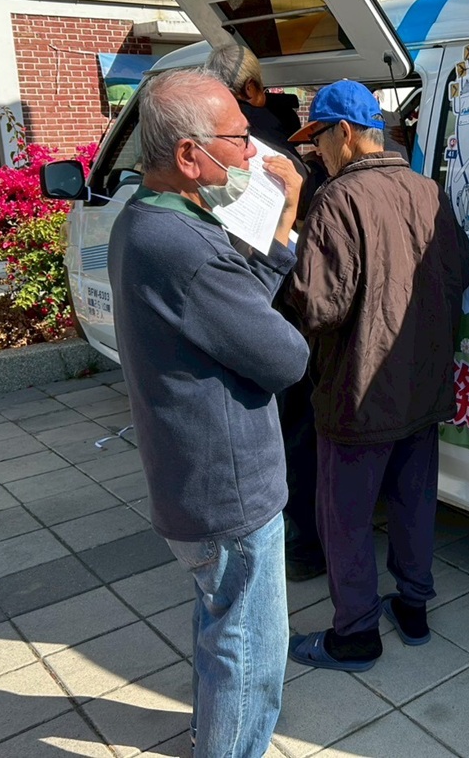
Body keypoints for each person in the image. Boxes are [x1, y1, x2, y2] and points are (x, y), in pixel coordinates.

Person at [107, 67, 308, 756]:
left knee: (223, 630)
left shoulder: (146, 218)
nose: (254, 154)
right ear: (190, 155)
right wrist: (284, 225)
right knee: (248, 659)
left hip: (190, 478)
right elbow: (285, 357)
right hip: (229, 491)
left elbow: (235, 301)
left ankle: (212, 738)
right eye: (240, 140)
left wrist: (282, 219)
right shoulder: (186, 246)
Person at [282, 80, 469, 672]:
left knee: (344, 518)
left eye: (317, 139)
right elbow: (459, 274)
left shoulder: (337, 200)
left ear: (344, 132)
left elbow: (318, 306)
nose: (314, 153)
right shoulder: (427, 189)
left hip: (358, 392)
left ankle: (357, 634)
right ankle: (413, 608)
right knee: (414, 502)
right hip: (424, 384)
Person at [205, 45, 327, 580]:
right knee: (296, 426)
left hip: (245, 296)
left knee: (271, 424)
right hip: (288, 300)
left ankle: (293, 542)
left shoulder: (217, 150)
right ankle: (303, 543)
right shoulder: (288, 147)